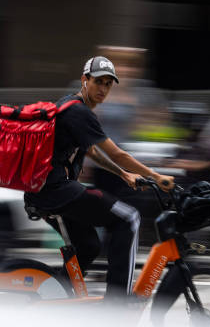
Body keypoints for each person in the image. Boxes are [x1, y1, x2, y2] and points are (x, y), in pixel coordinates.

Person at [24, 56, 174, 306]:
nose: (103, 89)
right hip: (57, 191)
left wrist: (124, 175)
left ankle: (57, 294)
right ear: (85, 80)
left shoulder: (71, 105)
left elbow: (92, 152)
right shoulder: (78, 111)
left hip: (46, 193)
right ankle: (117, 305)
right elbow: (117, 153)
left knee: (89, 245)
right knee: (129, 218)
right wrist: (156, 176)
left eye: (108, 84)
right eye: (98, 82)